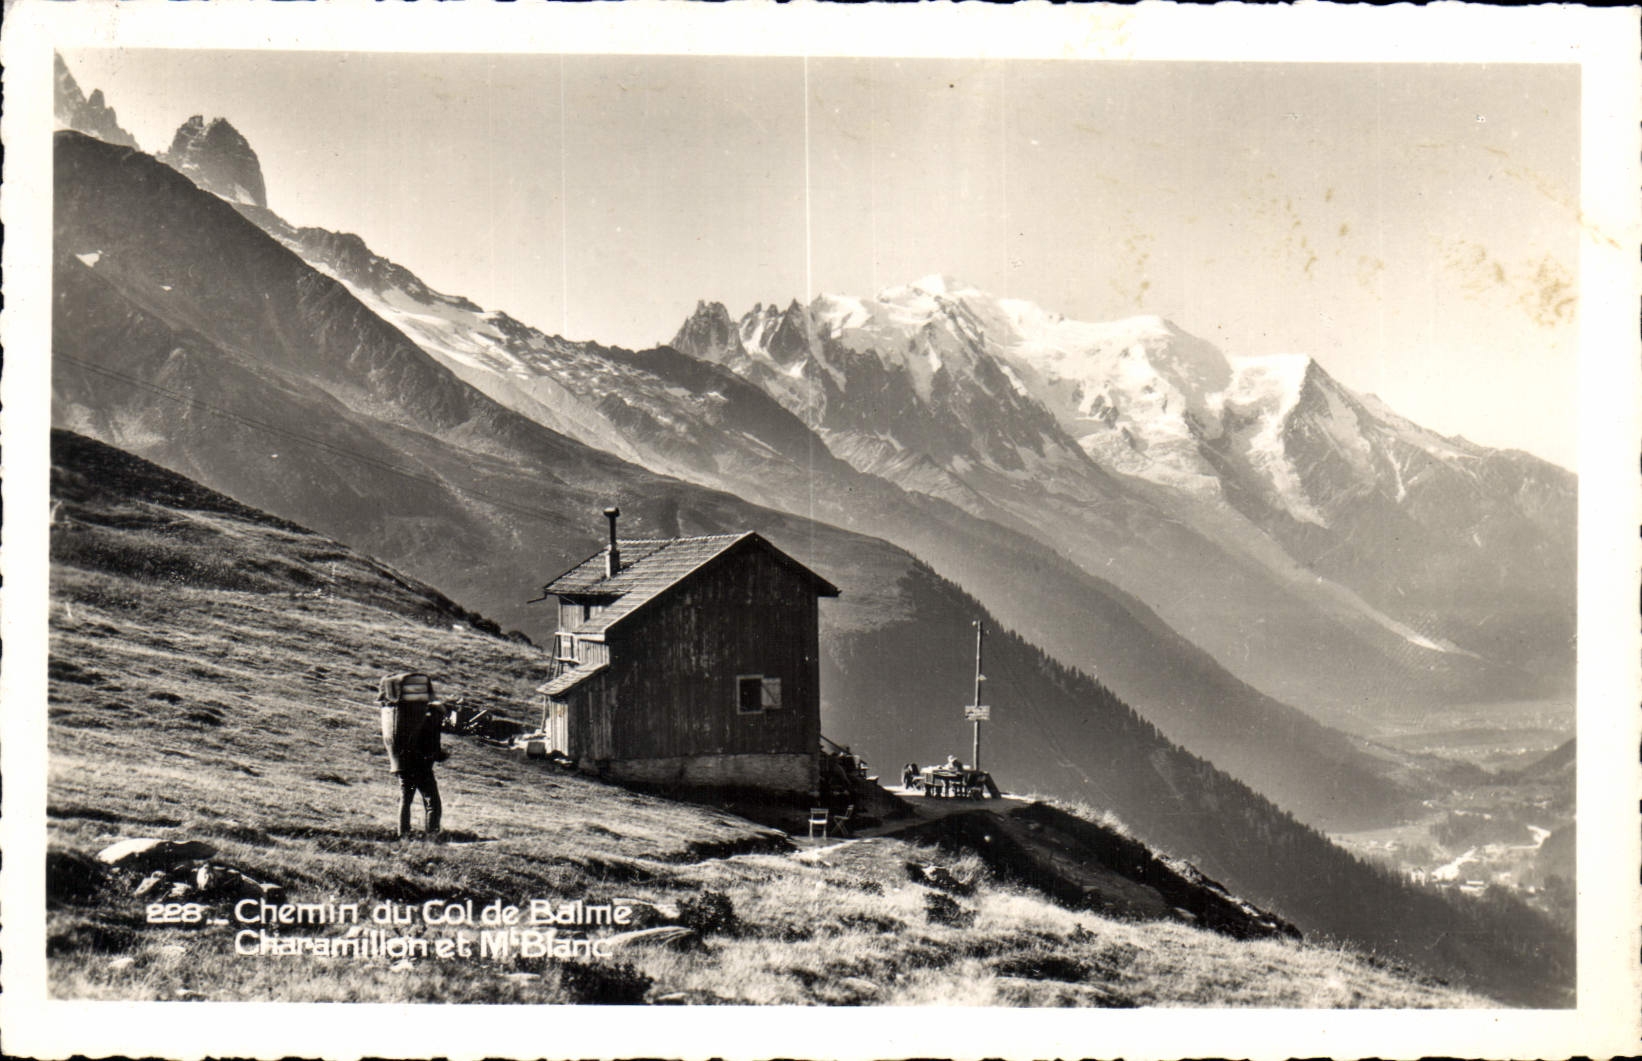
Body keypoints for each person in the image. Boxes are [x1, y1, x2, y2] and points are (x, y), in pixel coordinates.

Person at [378, 671, 447, 839]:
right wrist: (437, 755)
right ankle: (432, 836)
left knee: (405, 799)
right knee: (432, 802)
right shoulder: (430, 721)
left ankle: (404, 835)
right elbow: (431, 745)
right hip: (421, 765)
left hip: (402, 763)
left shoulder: (402, 716)